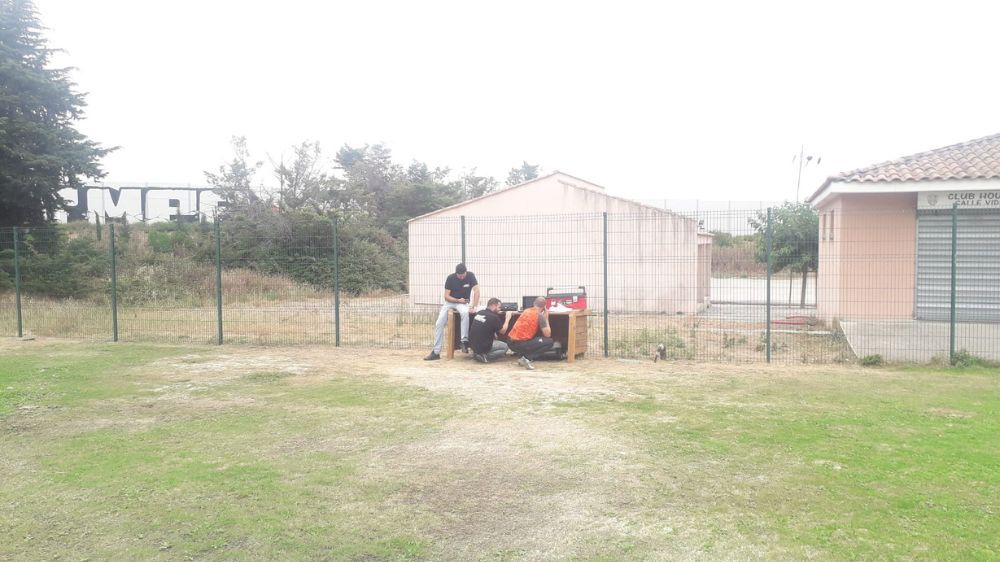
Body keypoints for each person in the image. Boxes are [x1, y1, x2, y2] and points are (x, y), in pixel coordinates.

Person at [424, 263, 479, 360]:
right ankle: (436, 352)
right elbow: (446, 296)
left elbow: (477, 291)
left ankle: (464, 341)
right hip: (450, 302)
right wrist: (458, 300)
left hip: (463, 303)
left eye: (463, 275)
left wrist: (473, 306)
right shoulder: (450, 278)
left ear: (466, 272)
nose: (461, 277)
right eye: (459, 275)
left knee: (465, 313)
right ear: (456, 273)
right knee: (439, 323)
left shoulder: (471, 276)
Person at [506, 296, 555, 370]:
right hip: (521, 344)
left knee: (530, 338)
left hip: (510, 342)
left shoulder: (526, 311)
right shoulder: (539, 316)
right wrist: (546, 318)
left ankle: (521, 357)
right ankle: (527, 358)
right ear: (544, 307)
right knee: (549, 341)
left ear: (534, 303)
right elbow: (547, 334)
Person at [469, 297, 515, 364]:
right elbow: (503, 331)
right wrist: (508, 318)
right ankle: (485, 356)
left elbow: (484, 326)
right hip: (483, 345)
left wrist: (494, 333)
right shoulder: (494, 317)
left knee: (492, 340)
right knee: (505, 347)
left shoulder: (479, 312)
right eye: (499, 307)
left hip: (472, 344)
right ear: (493, 305)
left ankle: (477, 353)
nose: (499, 310)